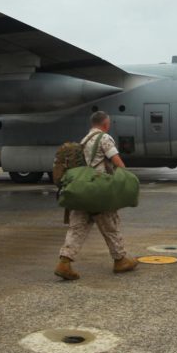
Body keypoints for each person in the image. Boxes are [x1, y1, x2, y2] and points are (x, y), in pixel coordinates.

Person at [55, 111, 139, 281]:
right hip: (99, 190)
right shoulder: (105, 138)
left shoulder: (84, 140)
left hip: (83, 190)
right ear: (106, 124)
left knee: (77, 228)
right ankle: (120, 260)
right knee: (110, 225)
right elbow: (117, 162)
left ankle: (64, 262)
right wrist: (128, 179)